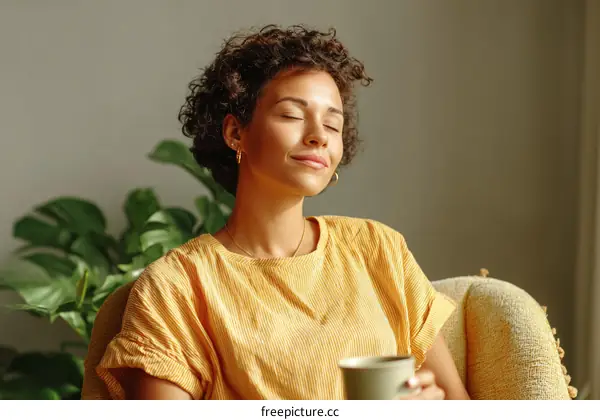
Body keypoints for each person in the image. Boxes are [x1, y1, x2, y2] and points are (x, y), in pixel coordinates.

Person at [84, 24, 469, 400]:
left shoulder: (378, 250)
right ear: (236, 133)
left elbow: (458, 403)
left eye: (333, 124)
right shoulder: (177, 287)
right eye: (292, 115)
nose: (319, 135)